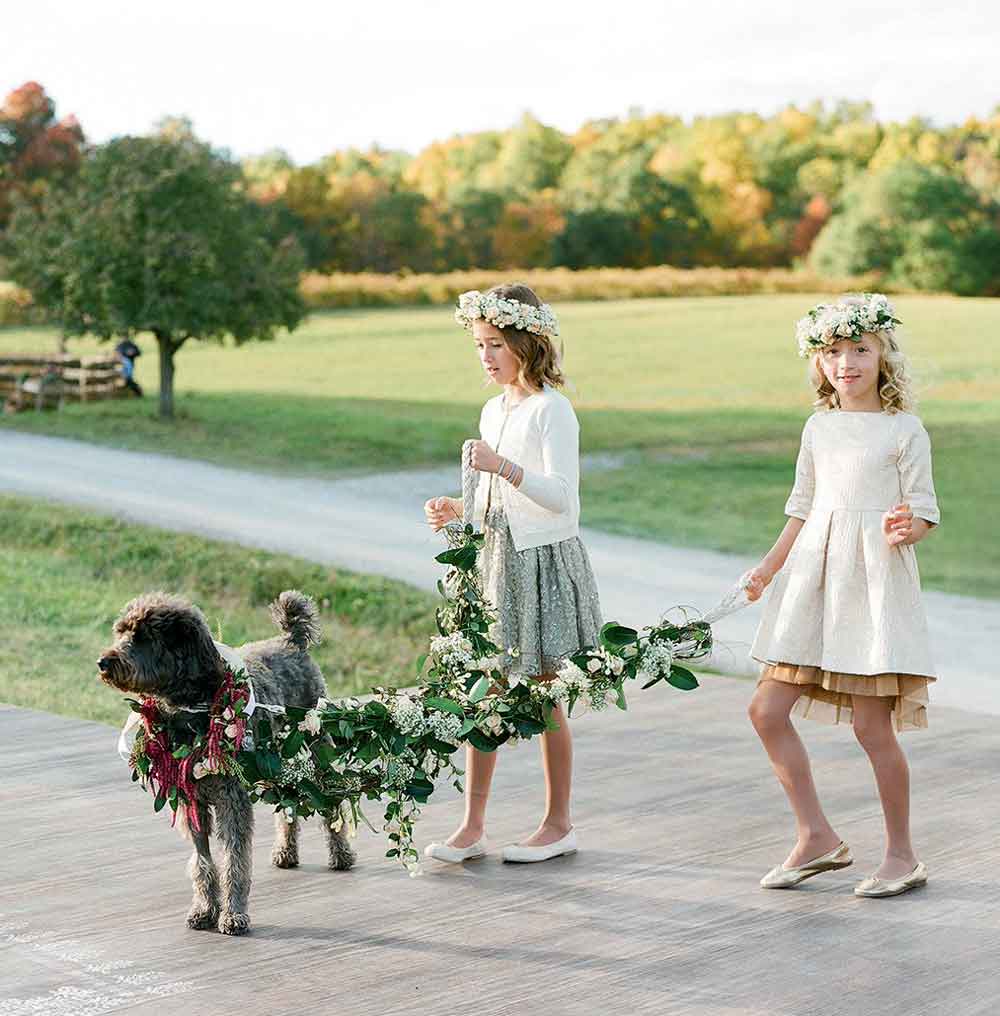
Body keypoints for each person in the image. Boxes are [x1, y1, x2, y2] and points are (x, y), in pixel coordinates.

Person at [745, 293, 939, 898]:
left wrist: (910, 527)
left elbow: (924, 509)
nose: (846, 363)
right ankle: (816, 836)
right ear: (819, 361)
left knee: (871, 729)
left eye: (860, 349)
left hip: (871, 587)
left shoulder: (904, 429)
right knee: (765, 711)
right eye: (833, 352)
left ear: (884, 356)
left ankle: (902, 856)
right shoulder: (818, 427)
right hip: (811, 582)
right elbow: (802, 506)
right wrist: (769, 567)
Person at [422, 283, 603, 864]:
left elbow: (563, 500)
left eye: (495, 344)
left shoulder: (553, 410)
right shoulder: (493, 410)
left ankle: (558, 824)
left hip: (542, 564)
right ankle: (472, 826)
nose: (485, 356)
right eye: (479, 345)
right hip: (498, 562)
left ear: (527, 342)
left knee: (545, 695)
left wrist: (503, 466)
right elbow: (491, 503)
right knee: (485, 691)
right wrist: (459, 511)